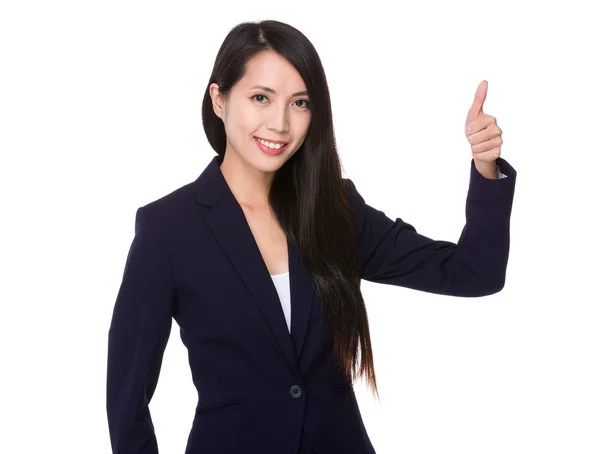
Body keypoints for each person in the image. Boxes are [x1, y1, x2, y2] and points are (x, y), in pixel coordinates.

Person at [106, 19, 517, 454]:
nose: (280, 123)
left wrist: (485, 166)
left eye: (299, 103)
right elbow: (127, 400)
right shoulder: (168, 229)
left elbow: (476, 273)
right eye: (261, 98)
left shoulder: (335, 208)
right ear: (219, 99)